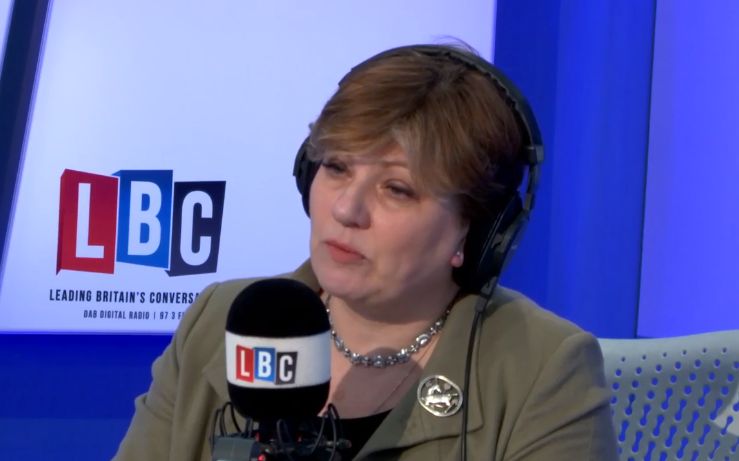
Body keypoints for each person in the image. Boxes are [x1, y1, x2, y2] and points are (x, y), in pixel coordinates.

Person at [113, 44, 618, 460]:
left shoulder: (544, 370)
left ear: (477, 230)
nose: (347, 209)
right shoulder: (218, 321)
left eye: (396, 189)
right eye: (336, 167)